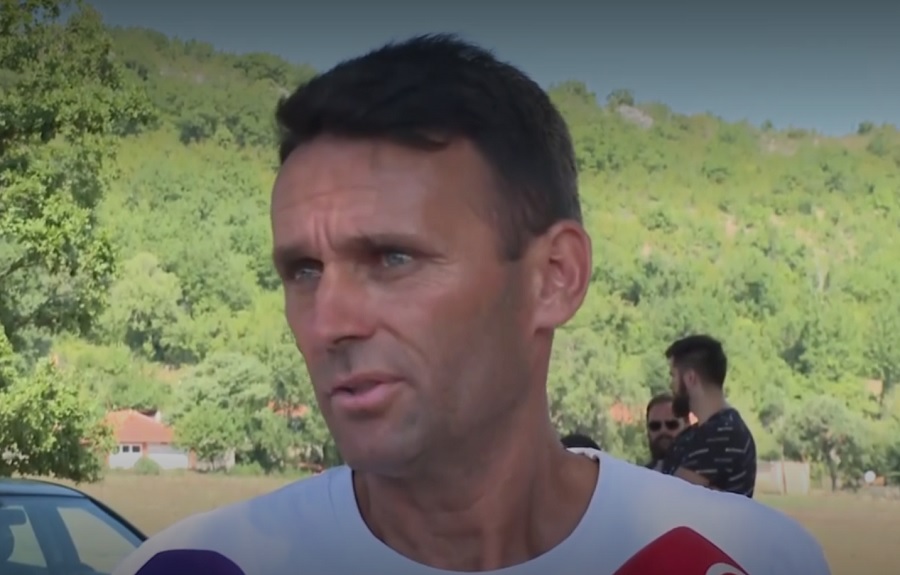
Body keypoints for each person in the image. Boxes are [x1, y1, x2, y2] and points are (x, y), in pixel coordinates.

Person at [113, 35, 829, 575]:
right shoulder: (202, 565)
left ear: (554, 278)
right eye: (303, 270)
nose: (327, 323)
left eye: (392, 258)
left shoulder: (748, 559)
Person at [661, 334, 758, 497]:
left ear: (690, 378)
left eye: (673, 376)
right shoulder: (695, 434)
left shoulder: (724, 434)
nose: (671, 385)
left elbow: (669, 497)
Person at [644, 393, 688, 471]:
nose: (663, 430)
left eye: (671, 425)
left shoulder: (702, 473)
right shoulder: (639, 475)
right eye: (655, 426)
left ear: (686, 425)